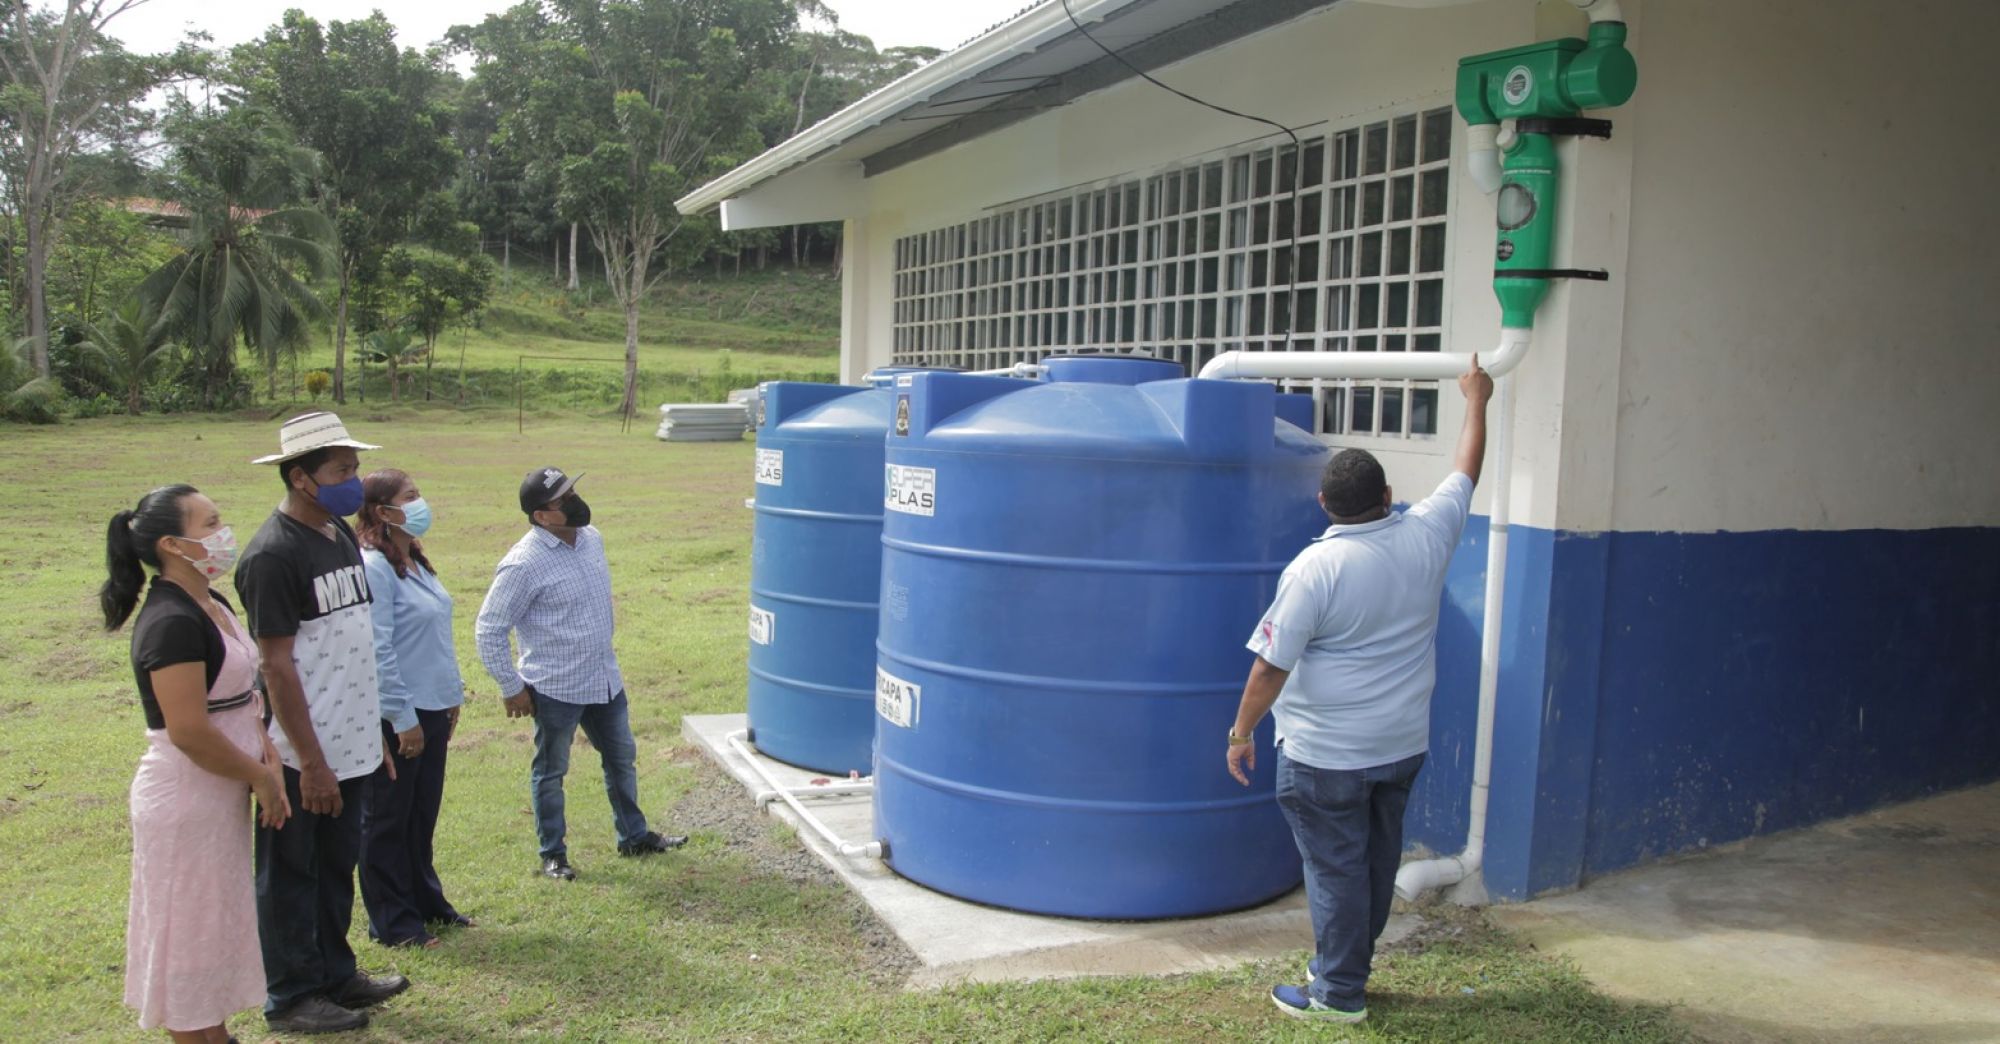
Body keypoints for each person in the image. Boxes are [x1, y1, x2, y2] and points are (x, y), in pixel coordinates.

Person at [1226, 355, 1493, 1024]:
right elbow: (1466, 469)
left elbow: (1269, 667)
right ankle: (1345, 968)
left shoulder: (1317, 568)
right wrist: (1475, 399)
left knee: (1337, 871)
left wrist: (1239, 733)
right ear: (1388, 494)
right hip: (1400, 746)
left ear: (1324, 504)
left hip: (1326, 756)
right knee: (1373, 862)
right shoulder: (1429, 533)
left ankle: (1338, 994)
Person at [235, 412, 409, 1035]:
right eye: (342, 471)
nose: (354, 482)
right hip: (299, 753)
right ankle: (291, 995)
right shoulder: (271, 556)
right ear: (303, 479)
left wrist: (373, 734)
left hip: (353, 740)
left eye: (355, 469)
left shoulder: (336, 533)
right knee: (291, 875)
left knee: (337, 867)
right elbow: (277, 667)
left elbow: (350, 643)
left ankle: (336, 972)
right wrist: (310, 762)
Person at [105, 485, 289, 1043]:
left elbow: (241, 697)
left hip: (221, 791)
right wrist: (257, 774)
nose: (223, 534)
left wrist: (269, 754)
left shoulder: (213, 603)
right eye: (210, 525)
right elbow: (186, 729)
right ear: (172, 544)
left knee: (213, 927)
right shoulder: (170, 622)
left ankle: (217, 1033)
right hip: (187, 798)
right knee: (188, 934)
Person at [475, 466, 686, 881]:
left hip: (604, 677)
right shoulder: (523, 564)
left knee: (621, 759)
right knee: (552, 772)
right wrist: (510, 686)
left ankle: (634, 836)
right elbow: (489, 628)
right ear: (541, 516)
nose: (574, 501)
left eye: (573, 491)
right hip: (555, 686)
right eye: (562, 499)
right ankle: (553, 853)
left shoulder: (592, 539)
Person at [356, 468, 472, 948]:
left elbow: (435, 635)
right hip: (400, 710)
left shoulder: (413, 559)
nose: (421, 504)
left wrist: (452, 695)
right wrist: (402, 719)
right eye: (411, 497)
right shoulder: (374, 567)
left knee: (421, 814)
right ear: (383, 511)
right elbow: (377, 648)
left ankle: (426, 900)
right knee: (388, 818)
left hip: (434, 703)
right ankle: (393, 920)